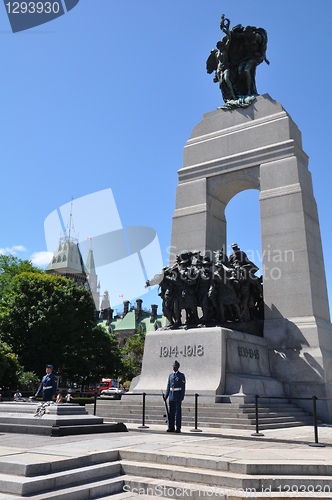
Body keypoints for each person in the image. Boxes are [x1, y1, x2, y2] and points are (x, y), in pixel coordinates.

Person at [165, 360, 186, 433]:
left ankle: (178, 427)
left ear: (178, 367)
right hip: (171, 396)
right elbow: (168, 386)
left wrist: (181, 397)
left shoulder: (181, 376)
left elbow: (183, 388)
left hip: (177, 396)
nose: (174, 367)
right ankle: (171, 427)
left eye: (175, 366)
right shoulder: (170, 375)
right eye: (173, 366)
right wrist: (166, 396)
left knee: (178, 413)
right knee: (171, 413)